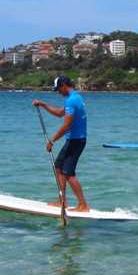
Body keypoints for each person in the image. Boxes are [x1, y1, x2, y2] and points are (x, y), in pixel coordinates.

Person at [32, 76, 90, 212]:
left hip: (76, 140)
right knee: (58, 167)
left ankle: (83, 205)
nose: (58, 92)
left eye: (58, 89)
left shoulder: (72, 100)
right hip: (74, 140)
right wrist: (43, 104)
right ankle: (62, 201)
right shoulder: (76, 97)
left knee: (68, 173)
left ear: (64, 85)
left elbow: (67, 125)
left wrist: (52, 141)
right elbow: (59, 113)